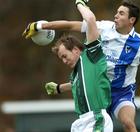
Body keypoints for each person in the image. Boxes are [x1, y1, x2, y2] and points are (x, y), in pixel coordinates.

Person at [22, 0, 140, 131]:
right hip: (99, 89)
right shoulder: (104, 28)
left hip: (121, 93)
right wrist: (42, 26)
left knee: (128, 123)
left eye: (121, 13)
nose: (116, 15)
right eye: (116, 12)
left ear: (131, 19)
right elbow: (71, 24)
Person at [23, 0, 113, 132]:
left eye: (65, 56)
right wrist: (59, 88)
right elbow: (75, 84)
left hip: (96, 119)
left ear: (76, 50)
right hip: (81, 123)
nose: (64, 61)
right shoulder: (76, 73)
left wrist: (80, 3)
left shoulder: (91, 56)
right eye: (61, 59)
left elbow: (90, 19)